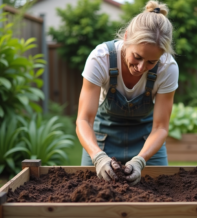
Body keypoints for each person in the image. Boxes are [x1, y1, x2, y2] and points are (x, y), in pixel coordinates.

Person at [76, 0, 179, 186]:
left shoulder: (168, 68)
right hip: (102, 140)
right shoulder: (101, 59)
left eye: (151, 62)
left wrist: (141, 160)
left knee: (161, 198)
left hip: (146, 142)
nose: (141, 67)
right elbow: (84, 120)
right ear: (126, 38)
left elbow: (161, 127)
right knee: (90, 197)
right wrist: (98, 157)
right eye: (137, 57)